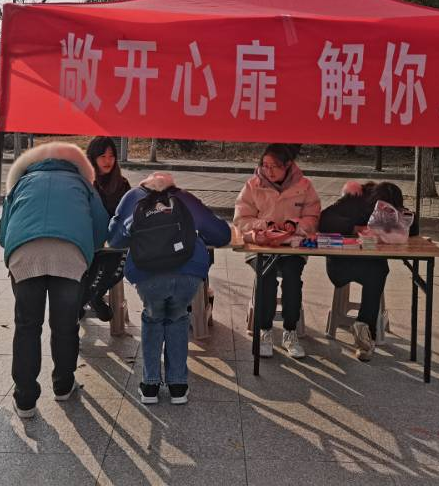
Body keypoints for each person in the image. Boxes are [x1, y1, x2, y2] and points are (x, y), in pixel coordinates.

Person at [0, 142, 109, 417]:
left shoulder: (22, 183)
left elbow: (3, 232)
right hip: (70, 255)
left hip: (25, 254)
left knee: (27, 326)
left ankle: (25, 399)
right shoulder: (83, 185)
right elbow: (101, 227)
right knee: (65, 325)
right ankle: (63, 385)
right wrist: (87, 251)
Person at [109, 172, 230, 405]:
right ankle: (178, 387)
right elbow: (221, 234)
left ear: (145, 183)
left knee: (153, 318)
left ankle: (150, 386)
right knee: (177, 317)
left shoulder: (132, 197)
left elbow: (115, 240)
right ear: (172, 184)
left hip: (147, 274)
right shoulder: (184, 198)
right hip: (187, 273)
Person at [234, 143, 321, 359]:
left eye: (274, 166)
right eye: (265, 165)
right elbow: (241, 219)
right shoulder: (253, 185)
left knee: (292, 278)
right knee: (266, 276)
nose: (268, 171)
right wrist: (264, 225)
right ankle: (264, 331)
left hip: (292, 246)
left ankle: (290, 331)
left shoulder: (304, 185)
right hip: (261, 246)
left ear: (288, 165)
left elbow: (313, 217)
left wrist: (295, 225)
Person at [321, 180, 404, 362]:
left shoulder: (392, 210)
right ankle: (365, 332)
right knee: (378, 269)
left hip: (370, 266)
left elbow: (413, 228)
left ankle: (364, 330)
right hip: (340, 264)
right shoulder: (355, 198)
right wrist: (355, 227)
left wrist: (397, 224)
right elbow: (324, 219)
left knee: (378, 269)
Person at [79, 137, 131, 321]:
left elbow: (128, 215)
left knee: (121, 259)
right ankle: (88, 298)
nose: (108, 160)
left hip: (112, 241)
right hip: (87, 239)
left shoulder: (122, 184)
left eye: (111, 156)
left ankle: (93, 296)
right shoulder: (83, 182)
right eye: (102, 156)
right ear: (92, 158)